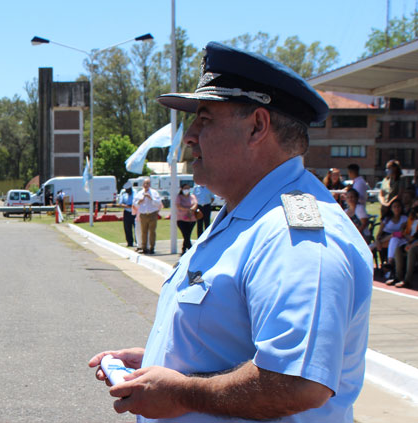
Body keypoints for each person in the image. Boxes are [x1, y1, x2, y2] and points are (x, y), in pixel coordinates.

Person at [89, 42, 372, 422]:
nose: (189, 136)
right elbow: (231, 340)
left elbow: (297, 384)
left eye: (205, 118)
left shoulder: (295, 235)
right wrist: (167, 360)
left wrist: (180, 392)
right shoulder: (245, 214)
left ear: (257, 126)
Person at [387, 199, 418, 288]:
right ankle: (398, 277)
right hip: (411, 242)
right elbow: (410, 235)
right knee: (398, 249)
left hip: (415, 246)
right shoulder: (411, 220)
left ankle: (407, 280)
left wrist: (412, 244)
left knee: (412, 250)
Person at [374, 198, 407, 273]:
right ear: (391, 208)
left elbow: (401, 232)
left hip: (398, 238)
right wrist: (378, 241)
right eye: (394, 207)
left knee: (394, 237)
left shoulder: (404, 218)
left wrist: (380, 242)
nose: (397, 208)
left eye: (398, 206)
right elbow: (378, 233)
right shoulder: (387, 219)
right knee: (371, 247)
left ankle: (389, 262)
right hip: (385, 238)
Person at [133, 177, 161, 254]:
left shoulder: (154, 193)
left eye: (148, 183)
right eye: (145, 183)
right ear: (143, 184)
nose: (146, 185)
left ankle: (152, 247)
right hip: (143, 214)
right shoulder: (139, 193)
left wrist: (150, 198)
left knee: (152, 231)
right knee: (143, 231)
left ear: (150, 184)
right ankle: (144, 247)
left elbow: (158, 203)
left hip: (152, 214)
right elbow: (135, 203)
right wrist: (140, 200)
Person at [174, 182, 198, 254]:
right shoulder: (179, 197)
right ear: (181, 189)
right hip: (181, 219)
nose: (186, 190)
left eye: (188, 188)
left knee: (188, 235)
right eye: (185, 188)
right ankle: (190, 249)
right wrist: (187, 209)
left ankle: (184, 249)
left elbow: (195, 204)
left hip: (192, 219)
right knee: (185, 234)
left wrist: (191, 209)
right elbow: (178, 206)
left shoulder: (192, 196)